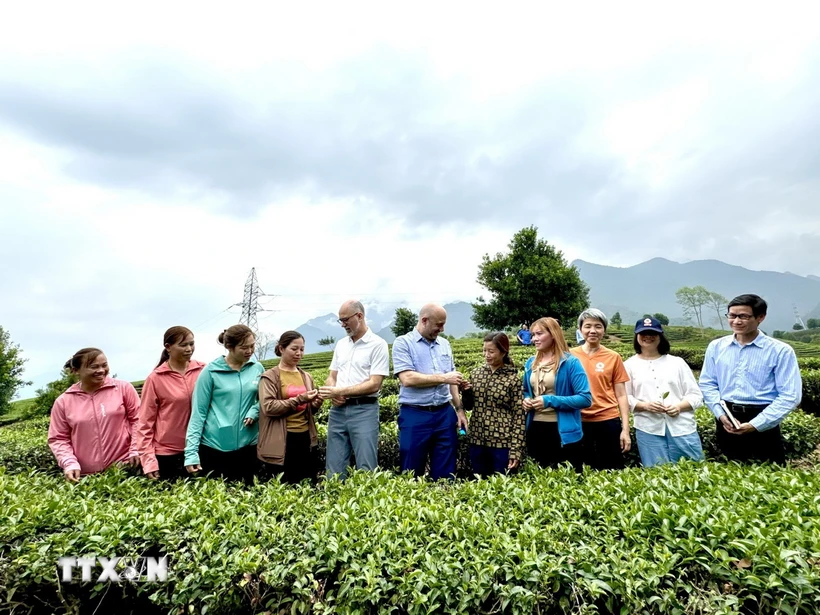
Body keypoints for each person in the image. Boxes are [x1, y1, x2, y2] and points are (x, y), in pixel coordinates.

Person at [699, 294, 802, 464]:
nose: (736, 321)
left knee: (770, 477)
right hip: (727, 418)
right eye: (732, 316)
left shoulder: (780, 351)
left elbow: (790, 395)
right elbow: (707, 383)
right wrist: (720, 414)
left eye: (744, 316)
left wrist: (756, 424)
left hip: (764, 419)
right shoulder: (716, 347)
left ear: (760, 317)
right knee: (727, 476)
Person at [391, 303, 469, 480]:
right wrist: (444, 378)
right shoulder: (403, 343)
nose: (441, 329)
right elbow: (407, 379)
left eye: (443, 324)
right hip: (415, 414)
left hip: (444, 413)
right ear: (424, 321)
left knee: (446, 472)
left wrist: (459, 409)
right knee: (411, 471)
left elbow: (452, 381)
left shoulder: (444, 344)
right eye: (438, 324)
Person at [318, 300, 389, 479]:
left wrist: (340, 392)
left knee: (366, 465)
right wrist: (332, 390)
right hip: (338, 410)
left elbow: (375, 384)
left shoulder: (378, 344)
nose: (343, 324)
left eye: (345, 319)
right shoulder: (341, 344)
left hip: (364, 409)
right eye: (340, 321)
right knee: (333, 467)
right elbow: (332, 376)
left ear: (359, 316)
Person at [184, 325, 264, 482]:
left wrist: (255, 410)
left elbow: (266, 399)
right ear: (229, 347)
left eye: (252, 346)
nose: (250, 351)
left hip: (249, 446)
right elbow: (198, 413)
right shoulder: (210, 372)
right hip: (215, 447)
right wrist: (191, 453)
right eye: (244, 347)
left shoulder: (257, 368)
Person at [48, 348, 140, 482]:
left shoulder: (123, 389)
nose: (101, 370)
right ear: (76, 370)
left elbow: (138, 420)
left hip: (127, 469)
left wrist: (136, 449)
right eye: (94, 367)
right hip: (86, 477)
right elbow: (58, 438)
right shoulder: (63, 401)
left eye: (104, 365)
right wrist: (69, 463)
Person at [624, 317, 704, 467]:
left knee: (694, 472)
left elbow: (696, 395)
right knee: (656, 474)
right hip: (648, 429)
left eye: (653, 333)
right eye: (644, 333)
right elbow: (624, 397)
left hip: (682, 427)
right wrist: (645, 405)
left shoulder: (677, 362)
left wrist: (679, 407)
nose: (648, 337)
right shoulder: (628, 365)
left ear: (660, 336)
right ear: (637, 337)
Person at [522, 317, 591, 472]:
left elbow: (585, 398)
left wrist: (549, 400)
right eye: (533, 335)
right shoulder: (531, 363)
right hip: (535, 428)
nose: (534, 339)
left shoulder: (571, 363)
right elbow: (526, 389)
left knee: (568, 480)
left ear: (553, 334)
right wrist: (526, 399)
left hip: (562, 432)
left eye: (539, 334)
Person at [136, 326, 205, 479]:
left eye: (191, 344)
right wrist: (148, 461)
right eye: (183, 345)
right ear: (168, 347)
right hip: (168, 454)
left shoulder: (203, 370)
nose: (189, 349)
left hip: (200, 448)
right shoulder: (155, 379)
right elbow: (145, 423)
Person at [257, 331, 324, 484]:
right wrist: (300, 399)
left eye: (302, 349)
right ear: (281, 349)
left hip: (305, 437)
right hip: (283, 439)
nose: (299, 353)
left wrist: (315, 404)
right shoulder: (269, 377)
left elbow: (308, 411)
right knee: (285, 485)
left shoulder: (306, 376)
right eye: (294, 349)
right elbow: (268, 407)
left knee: (307, 485)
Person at [570, 308, 632, 469]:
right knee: (578, 472)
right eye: (588, 326)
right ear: (580, 330)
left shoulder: (613, 357)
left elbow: (621, 395)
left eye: (598, 326)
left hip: (607, 420)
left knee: (612, 469)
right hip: (578, 420)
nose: (592, 331)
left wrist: (625, 430)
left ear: (604, 330)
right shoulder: (569, 356)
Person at [460, 332, 524, 477]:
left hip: (502, 443)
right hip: (477, 440)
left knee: (501, 486)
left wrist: (516, 449)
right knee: (479, 484)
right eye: (484, 350)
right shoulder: (476, 373)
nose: (486, 355)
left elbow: (519, 416)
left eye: (491, 351)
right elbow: (469, 406)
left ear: (503, 352)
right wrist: (467, 392)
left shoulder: (512, 379)